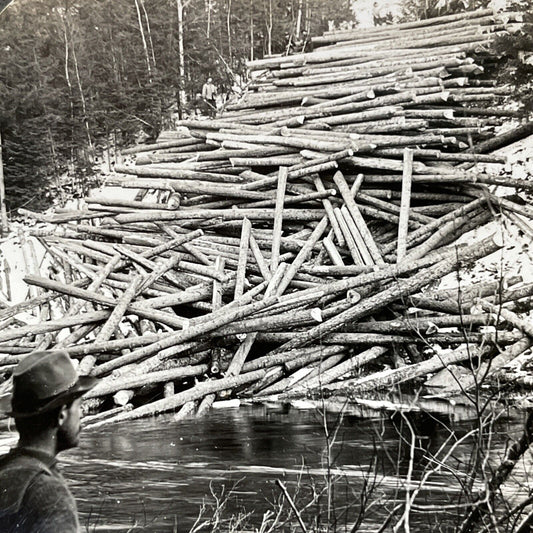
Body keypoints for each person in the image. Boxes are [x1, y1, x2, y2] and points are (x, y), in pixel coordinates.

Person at [0, 350, 99, 532]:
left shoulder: (5, 470)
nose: (82, 414)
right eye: (79, 406)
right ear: (62, 415)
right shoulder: (50, 495)